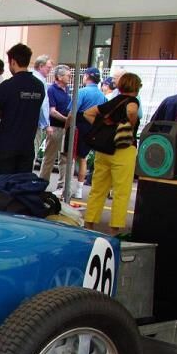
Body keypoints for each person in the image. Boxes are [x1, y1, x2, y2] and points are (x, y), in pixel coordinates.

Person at [82, 73, 143, 234]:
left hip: (103, 150)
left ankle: (89, 223)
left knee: (98, 189)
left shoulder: (112, 102)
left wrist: (102, 129)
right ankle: (114, 228)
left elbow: (88, 113)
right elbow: (131, 110)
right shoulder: (132, 101)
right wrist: (130, 124)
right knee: (121, 191)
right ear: (136, 86)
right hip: (123, 150)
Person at [0, 44, 46, 180]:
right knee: (20, 184)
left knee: (1, 184)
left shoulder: (8, 85)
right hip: (27, 145)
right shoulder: (39, 86)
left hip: (6, 145)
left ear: (13, 61)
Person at [71, 67, 107, 197]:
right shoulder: (102, 96)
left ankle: (67, 187)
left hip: (78, 127)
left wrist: (67, 125)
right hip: (93, 129)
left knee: (70, 157)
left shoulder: (82, 92)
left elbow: (72, 112)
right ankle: (79, 190)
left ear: (86, 76)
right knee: (83, 159)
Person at [39, 64, 71, 181]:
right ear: (59, 77)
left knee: (65, 157)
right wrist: (67, 119)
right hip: (55, 127)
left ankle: (62, 184)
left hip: (66, 128)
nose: (70, 78)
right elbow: (52, 111)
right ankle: (43, 181)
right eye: (68, 75)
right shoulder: (51, 90)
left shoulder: (67, 90)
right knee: (50, 157)